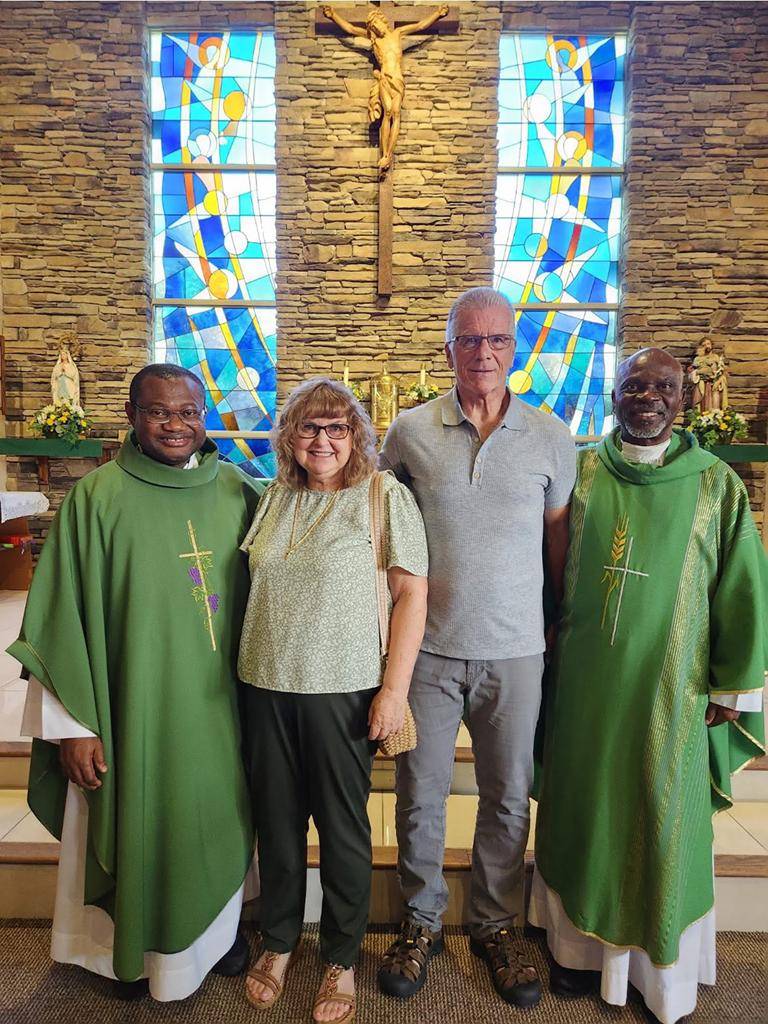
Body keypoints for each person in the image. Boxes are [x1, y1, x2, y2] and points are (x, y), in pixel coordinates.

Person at [10, 364, 262, 1001]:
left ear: (205, 416)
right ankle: (115, 952)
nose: (176, 425)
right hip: (131, 711)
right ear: (132, 416)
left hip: (219, 712)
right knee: (132, 816)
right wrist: (73, 727)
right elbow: (63, 619)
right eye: (159, 412)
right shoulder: (98, 497)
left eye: (188, 412)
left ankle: (215, 938)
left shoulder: (236, 490)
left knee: (215, 819)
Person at [531, 348, 766, 1024]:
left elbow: (742, 585)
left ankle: (660, 973)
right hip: (584, 687)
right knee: (582, 812)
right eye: (634, 385)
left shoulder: (716, 484)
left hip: (673, 691)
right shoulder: (580, 473)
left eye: (663, 386)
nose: (647, 397)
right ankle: (574, 955)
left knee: (662, 817)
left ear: (683, 398)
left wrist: (733, 684)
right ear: (614, 395)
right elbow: (544, 564)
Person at [377, 287, 577, 1008]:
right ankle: (421, 919)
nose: (483, 353)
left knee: (505, 798)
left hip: (517, 649)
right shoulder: (409, 432)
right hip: (427, 652)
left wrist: (553, 620)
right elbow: (385, 534)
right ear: (449, 348)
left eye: (496, 340)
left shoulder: (551, 437)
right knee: (420, 796)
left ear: (514, 349)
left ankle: (495, 924)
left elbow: (557, 539)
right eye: (469, 340)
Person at [238, 378, 428, 1024]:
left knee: (343, 831)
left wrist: (394, 691)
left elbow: (411, 596)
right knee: (278, 825)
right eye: (310, 428)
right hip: (264, 685)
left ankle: (342, 954)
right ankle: (282, 941)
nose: (323, 440)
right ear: (290, 437)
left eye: (337, 429)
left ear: (357, 438)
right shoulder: (273, 497)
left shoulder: (381, 497)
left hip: (342, 689)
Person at [322, 4, 449, 172]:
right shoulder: (375, 41)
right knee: (387, 113)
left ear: (383, 22)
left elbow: (420, 26)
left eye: (377, 24)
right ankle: (384, 155)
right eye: (373, 27)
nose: (376, 28)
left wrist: (437, 14)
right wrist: (333, 16)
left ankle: (388, 154)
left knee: (396, 113)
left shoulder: (397, 34)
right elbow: (351, 28)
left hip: (397, 79)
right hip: (384, 79)